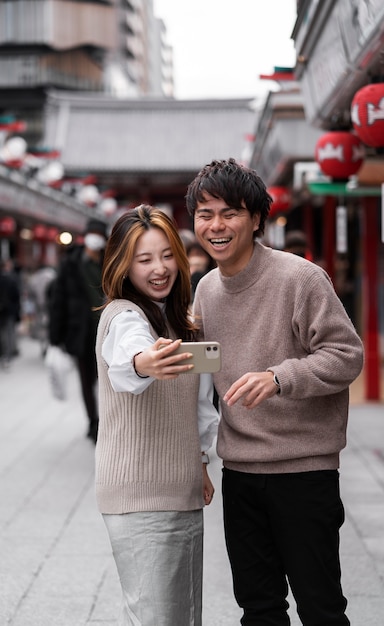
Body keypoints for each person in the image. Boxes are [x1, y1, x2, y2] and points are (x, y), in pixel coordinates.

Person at [185, 158, 364, 626]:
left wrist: (280, 376)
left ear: (257, 218)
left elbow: (347, 355)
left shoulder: (299, 278)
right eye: (205, 214)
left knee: (321, 607)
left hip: (305, 472)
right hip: (240, 474)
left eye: (230, 213)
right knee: (258, 608)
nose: (216, 226)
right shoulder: (204, 290)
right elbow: (203, 381)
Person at [95, 205, 218, 626]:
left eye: (167, 255)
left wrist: (201, 462)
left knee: (184, 614)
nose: (159, 268)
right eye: (144, 259)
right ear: (122, 265)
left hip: (181, 490)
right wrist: (144, 363)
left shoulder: (181, 321)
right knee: (158, 617)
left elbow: (200, 404)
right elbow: (127, 363)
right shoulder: (123, 316)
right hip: (141, 496)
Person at [48, 218, 107, 442]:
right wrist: (55, 337)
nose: (94, 238)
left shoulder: (108, 261)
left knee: (107, 378)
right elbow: (58, 300)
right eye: (91, 233)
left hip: (107, 330)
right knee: (86, 378)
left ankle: (108, 419)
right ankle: (93, 421)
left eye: (98, 234)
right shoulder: (71, 263)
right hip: (81, 330)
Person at [0, 259, 21, 367]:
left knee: (4, 333)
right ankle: (8, 354)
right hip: (9, 310)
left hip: (4, 310)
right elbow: (16, 297)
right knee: (9, 332)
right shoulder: (12, 279)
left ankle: (5, 354)